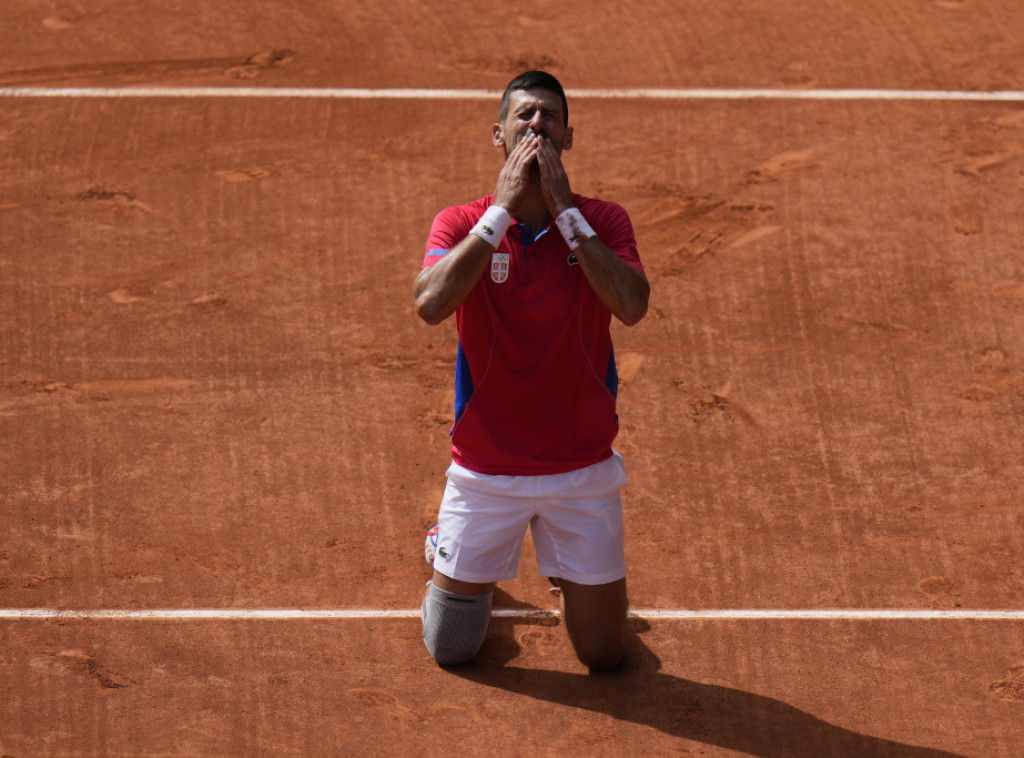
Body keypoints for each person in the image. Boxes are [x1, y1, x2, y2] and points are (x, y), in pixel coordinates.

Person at [413, 70, 650, 671]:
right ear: (500, 134)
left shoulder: (606, 219)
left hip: (582, 468)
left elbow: (631, 305)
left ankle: (566, 573)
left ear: (568, 136)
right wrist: (497, 215)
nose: (537, 125)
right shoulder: (460, 221)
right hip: (486, 469)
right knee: (451, 648)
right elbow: (431, 305)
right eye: (524, 116)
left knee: (603, 657)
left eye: (549, 117)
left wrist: (568, 213)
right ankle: (450, 549)